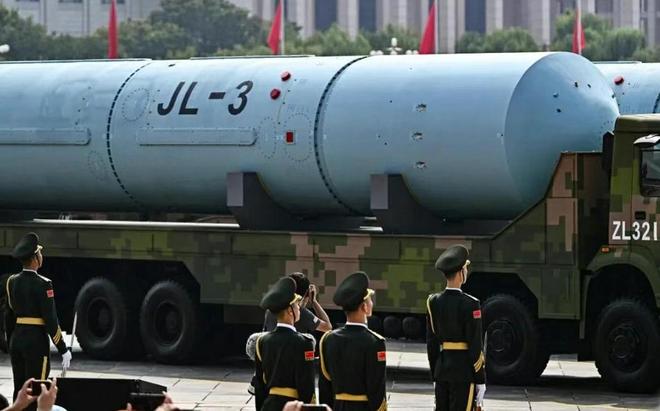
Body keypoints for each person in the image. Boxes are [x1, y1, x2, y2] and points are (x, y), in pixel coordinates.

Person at [5, 233, 71, 410]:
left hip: (17, 341)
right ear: (35, 258)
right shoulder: (44, 284)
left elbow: (8, 317)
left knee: (19, 390)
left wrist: (11, 342)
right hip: (36, 342)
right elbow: (50, 320)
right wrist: (63, 348)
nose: (42, 256)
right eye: (40, 253)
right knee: (36, 390)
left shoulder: (12, 282)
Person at [426, 245, 486, 411]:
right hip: (463, 372)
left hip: (442, 371)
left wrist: (435, 374)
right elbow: (475, 345)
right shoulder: (471, 304)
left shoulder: (433, 302)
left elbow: (431, 344)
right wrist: (480, 379)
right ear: (461, 273)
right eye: (465, 268)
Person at [318, 272, 387, 411]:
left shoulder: (328, 339)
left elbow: (324, 387)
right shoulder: (375, 342)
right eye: (369, 300)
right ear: (364, 307)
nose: (371, 303)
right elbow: (377, 391)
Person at [254, 277, 316, 411]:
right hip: (292, 405)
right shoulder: (304, 343)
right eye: (296, 305)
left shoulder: (262, 341)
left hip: (269, 405)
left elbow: (259, 384)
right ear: (290, 311)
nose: (299, 308)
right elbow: (306, 384)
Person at [263, 272, 332, 333]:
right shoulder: (302, 313)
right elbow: (327, 327)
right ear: (306, 293)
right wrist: (314, 301)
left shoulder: (271, 309)